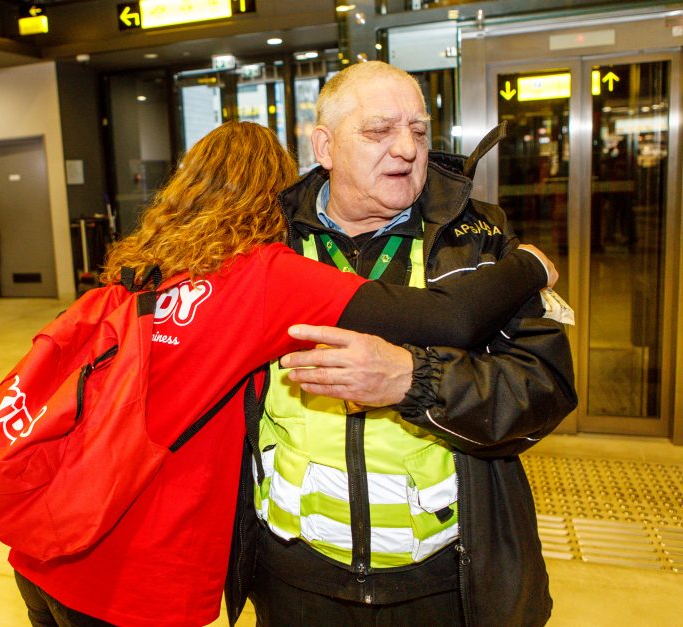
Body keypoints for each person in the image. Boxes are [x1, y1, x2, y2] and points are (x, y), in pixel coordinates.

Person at [3, 122, 558, 627]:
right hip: (126, 579)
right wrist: (530, 266)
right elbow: (450, 318)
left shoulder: (139, 269)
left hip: (45, 548)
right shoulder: (263, 277)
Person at [229, 62, 577, 627]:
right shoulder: (264, 243)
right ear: (325, 146)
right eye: (378, 131)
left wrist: (413, 380)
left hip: (442, 582)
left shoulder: (479, 242)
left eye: (418, 130)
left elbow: (545, 386)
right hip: (292, 580)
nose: (408, 149)